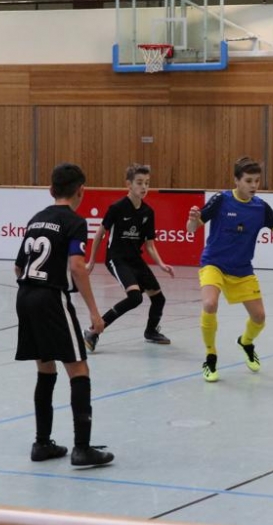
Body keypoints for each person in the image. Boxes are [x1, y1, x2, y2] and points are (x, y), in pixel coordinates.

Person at [185, 156, 273, 383]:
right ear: (237, 180)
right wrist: (193, 219)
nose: (254, 185)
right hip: (214, 264)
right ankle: (210, 356)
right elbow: (192, 229)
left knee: (259, 317)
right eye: (248, 180)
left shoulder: (260, 208)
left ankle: (246, 342)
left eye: (257, 180)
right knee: (209, 304)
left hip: (242, 269)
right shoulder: (221, 200)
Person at [14, 162, 114, 468]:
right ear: (81, 191)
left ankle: (42, 443)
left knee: (45, 369)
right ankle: (82, 448)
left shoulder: (36, 220)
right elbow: (76, 266)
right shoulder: (75, 222)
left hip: (25, 295)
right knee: (78, 368)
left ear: (51, 190)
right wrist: (95, 313)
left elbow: (18, 266)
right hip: (51, 298)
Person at [83, 163, 175, 350]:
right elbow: (99, 234)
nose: (144, 187)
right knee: (135, 297)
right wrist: (91, 261)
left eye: (147, 183)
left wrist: (161, 264)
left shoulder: (148, 212)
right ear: (129, 185)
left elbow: (149, 245)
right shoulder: (117, 208)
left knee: (159, 299)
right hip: (116, 258)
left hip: (135, 260)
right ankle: (93, 331)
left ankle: (151, 331)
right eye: (139, 183)